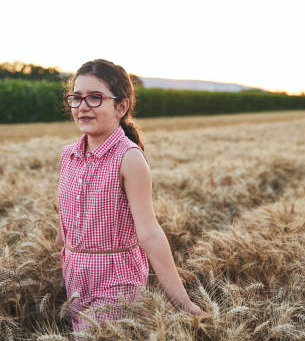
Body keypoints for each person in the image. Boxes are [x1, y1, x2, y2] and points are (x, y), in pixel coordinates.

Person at [55, 59, 204, 332]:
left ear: (121, 107)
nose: (83, 106)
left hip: (116, 276)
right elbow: (66, 212)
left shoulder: (129, 158)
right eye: (76, 98)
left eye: (95, 98)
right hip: (74, 274)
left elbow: (150, 233)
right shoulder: (68, 155)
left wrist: (182, 301)